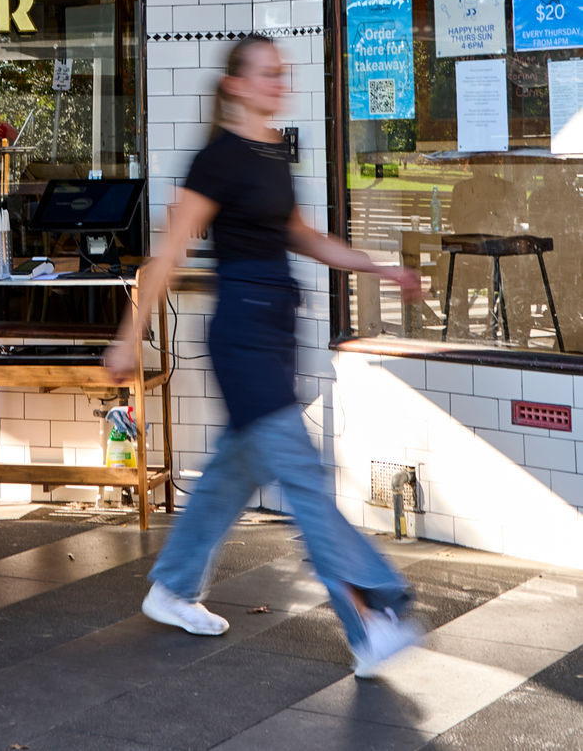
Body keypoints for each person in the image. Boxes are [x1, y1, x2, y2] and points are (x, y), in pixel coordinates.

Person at [105, 34, 423, 678]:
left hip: (276, 327)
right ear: (236, 86)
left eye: (283, 73)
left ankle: (171, 586)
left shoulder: (274, 150)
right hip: (242, 335)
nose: (280, 82)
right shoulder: (215, 161)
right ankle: (370, 618)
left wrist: (375, 266)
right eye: (268, 74)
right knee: (303, 476)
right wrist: (128, 335)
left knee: (233, 469)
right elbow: (166, 255)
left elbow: (300, 234)